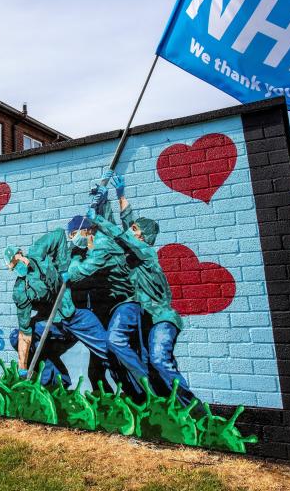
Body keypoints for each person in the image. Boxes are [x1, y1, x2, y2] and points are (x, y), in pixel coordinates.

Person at [90, 173, 197, 409]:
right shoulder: (136, 251)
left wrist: (98, 217)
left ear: (143, 237)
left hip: (162, 318)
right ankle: (165, 403)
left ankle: (194, 409)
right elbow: (127, 225)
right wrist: (115, 196)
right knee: (153, 363)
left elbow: (122, 234)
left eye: (136, 229)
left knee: (160, 360)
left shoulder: (147, 254)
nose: (132, 230)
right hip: (146, 319)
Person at [62, 212, 149, 402]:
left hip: (126, 304)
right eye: (70, 235)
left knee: (115, 347)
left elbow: (78, 273)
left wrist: (74, 259)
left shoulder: (102, 246)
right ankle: (119, 399)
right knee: (99, 366)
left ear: (87, 230)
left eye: (73, 234)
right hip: (109, 308)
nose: (72, 239)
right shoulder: (94, 244)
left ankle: (146, 395)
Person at [4, 245, 111, 388]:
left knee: (110, 351)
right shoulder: (21, 289)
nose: (18, 268)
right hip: (53, 325)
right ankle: (56, 382)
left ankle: (138, 386)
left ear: (21, 253)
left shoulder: (44, 260)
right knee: (16, 336)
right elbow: (24, 331)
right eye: (13, 267)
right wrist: (22, 368)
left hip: (77, 317)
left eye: (17, 262)